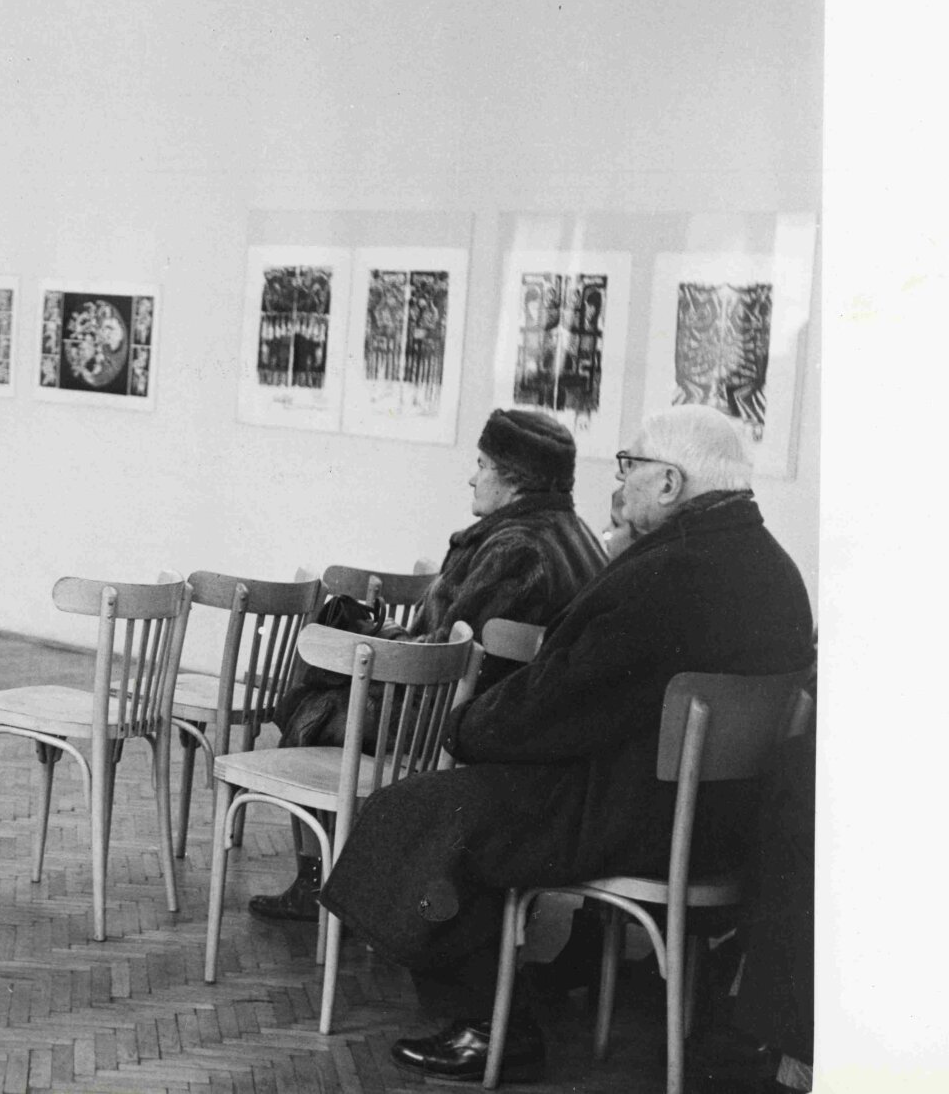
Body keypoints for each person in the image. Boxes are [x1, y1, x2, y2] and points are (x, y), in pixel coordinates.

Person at [317, 404, 814, 1082]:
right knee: (458, 806)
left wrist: (465, 727)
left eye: (631, 466)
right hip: (722, 826)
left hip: (637, 815)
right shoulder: (778, 573)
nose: (621, 482)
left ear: (670, 482)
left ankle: (493, 1027)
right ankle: (500, 1004)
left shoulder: (667, 573)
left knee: (425, 809)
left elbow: (555, 705)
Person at [250, 408, 608, 922]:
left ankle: (321, 881)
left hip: (460, 724)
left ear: (514, 480)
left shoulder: (515, 548)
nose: (472, 477)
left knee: (310, 708)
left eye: (482, 465)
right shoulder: (579, 538)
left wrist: (380, 636)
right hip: (520, 728)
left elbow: (443, 662)